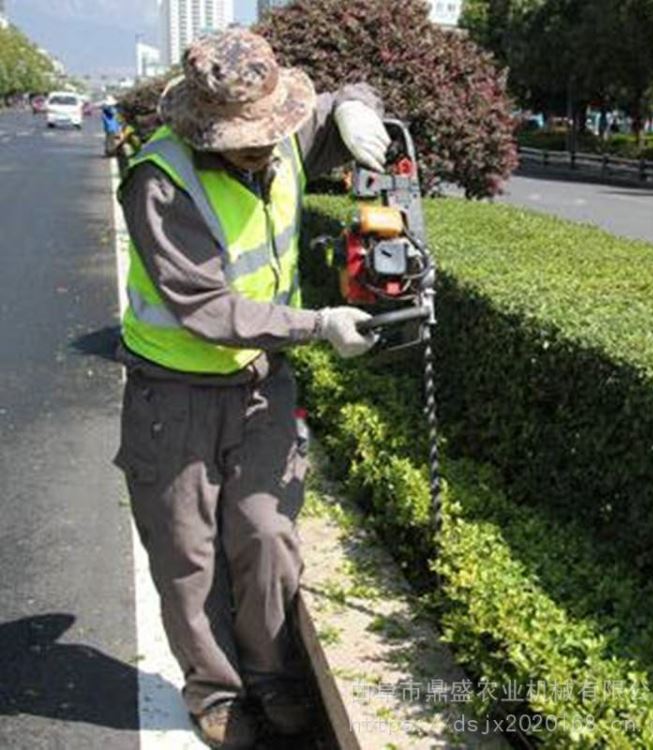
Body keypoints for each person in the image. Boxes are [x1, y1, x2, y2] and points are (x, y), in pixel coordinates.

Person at [114, 28, 390, 750]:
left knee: (266, 534)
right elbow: (209, 311)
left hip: (263, 384)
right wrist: (320, 322)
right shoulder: (161, 180)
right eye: (245, 139)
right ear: (206, 130)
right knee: (188, 553)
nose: (265, 147)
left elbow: (337, 105)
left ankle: (272, 675)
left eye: (272, 131)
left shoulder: (286, 140)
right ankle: (216, 689)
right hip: (171, 395)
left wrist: (360, 108)